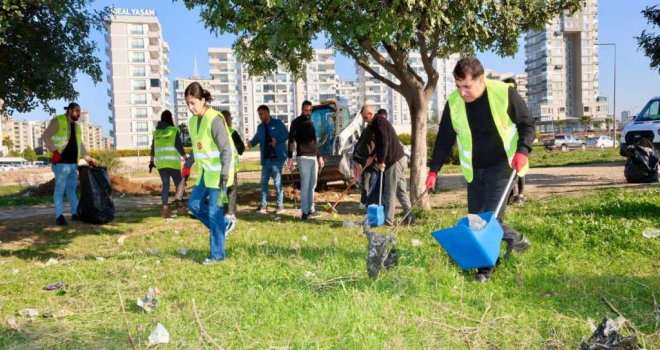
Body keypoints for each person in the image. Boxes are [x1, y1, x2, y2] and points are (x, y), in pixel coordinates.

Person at [425, 57, 533, 282]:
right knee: (475, 220)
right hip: (475, 169)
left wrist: (523, 150)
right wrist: (434, 170)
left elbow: (527, 124)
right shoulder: (454, 103)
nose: (462, 92)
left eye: (466, 86)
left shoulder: (504, 93)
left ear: (480, 79)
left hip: (503, 165)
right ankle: (517, 240)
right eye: (458, 86)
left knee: (489, 220)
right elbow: (444, 139)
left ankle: (485, 271)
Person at [181, 82, 235, 264]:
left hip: (221, 175)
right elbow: (197, 149)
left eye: (193, 103)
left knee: (214, 212)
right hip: (206, 174)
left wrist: (226, 175)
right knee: (194, 205)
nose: (190, 107)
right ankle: (224, 225)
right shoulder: (192, 122)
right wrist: (188, 165)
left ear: (203, 100)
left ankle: (217, 255)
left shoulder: (215, 119)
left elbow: (226, 150)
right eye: (188, 103)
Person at [42, 102, 96, 226]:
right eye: (77, 111)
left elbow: (80, 145)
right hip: (60, 163)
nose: (79, 113)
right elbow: (46, 137)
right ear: (70, 110)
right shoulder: (58, 121)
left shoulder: (77, 127)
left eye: (80, 111)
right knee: (60, 189)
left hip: (73, 164)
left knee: (71, 189)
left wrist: (89, 159)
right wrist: (54, 152)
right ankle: (59, 216)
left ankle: (75, 213)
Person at [360, 105, 413, 226]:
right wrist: (372, 156)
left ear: (369, 114)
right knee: (401, 191)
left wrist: (381, 161)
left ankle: (388, 221)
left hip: (394, 161)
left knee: (389, 191)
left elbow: (385, 142)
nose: (364, 120)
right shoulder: (375, 124)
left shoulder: (379, 122)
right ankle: (410, 217)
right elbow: (379, 144)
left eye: (365, 117)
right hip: (400, 159)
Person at [247, 105, 289, 214]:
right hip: (266, 160)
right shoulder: (260, 127)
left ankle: (279, 206)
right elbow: (257, 138)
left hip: (277, 158)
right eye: (259, 114)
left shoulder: (278, 123)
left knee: (277, 182)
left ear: (267, 113)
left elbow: (286, 135)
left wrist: (277, 140)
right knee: (263, 183)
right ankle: (263, 205)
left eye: (261, 114)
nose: (260, 116)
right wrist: (251, 143)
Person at [287, 100, 325, 221]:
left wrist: (319, 156)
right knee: (305, 185)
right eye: (306, 110)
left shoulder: (311, 123)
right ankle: (304, 212)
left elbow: (314, 142)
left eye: (310, 110)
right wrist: (290, 157)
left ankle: (311, 209)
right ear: (302, 110)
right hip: (303, 157)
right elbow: (291, 141)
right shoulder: (296, 123)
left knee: (313, 185)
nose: (308, 112)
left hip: (314, 157)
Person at [149, 110, 187, 218]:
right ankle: (180, 208)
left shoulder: (156, 132)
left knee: (165, 186)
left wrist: (151, 161)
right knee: (179, 185)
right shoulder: (173, 130)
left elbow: (153, 148)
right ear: (170, 118)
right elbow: (178, 145)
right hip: (172, 163)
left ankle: (165, 210)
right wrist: (186, 158)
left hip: (161, 164)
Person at [501, 77, 526, 205]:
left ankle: (520, 194)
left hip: (518, 142)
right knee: (507, 169)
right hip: (505, 142)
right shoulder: (500, 103)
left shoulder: (518, 102)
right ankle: (510, 194)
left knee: (520, 169)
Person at [220, 110, 245, 234]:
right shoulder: (232, 132)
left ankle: (221, 212)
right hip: (231, 167)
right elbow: (241, 148)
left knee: (221, 190)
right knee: (232, 191)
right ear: (229, 120)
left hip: (219, 167)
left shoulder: (217, 132)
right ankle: (230, 214)